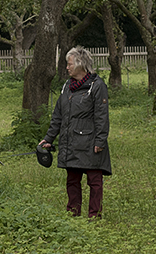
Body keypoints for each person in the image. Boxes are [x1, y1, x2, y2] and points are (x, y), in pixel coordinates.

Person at [39, 47, 111, 218]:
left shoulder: (97, 86)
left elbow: (102, 116)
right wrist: (48, 138)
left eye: (69, 64)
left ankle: (95, 216)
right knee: (72, 180)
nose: (67, 67)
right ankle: (73, 214)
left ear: (80, 65)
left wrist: (100, 141)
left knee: (94, 181)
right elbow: (58, 116)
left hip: (90, 142)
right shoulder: (66, 87)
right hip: (71, 142)